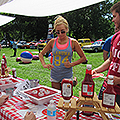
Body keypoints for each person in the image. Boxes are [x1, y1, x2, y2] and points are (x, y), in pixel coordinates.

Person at [39, 15, 86, 90]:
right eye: (57, 32)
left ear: (67, 29)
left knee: (67, 97)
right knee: (57, 98)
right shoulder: (52, 42)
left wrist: (71, 64)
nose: (60, 34)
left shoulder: (73, 42)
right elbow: (41, 54)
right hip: (55, 74)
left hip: (67, 75)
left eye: (62, 31)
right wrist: (44, 65)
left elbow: (83, 58)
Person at [92, 1, 120, 107]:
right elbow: (110, 60)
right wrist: (96, 70)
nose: (112, 20)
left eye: (114, 16)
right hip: (106, 88)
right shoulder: (115, 37)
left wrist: (118, 80)